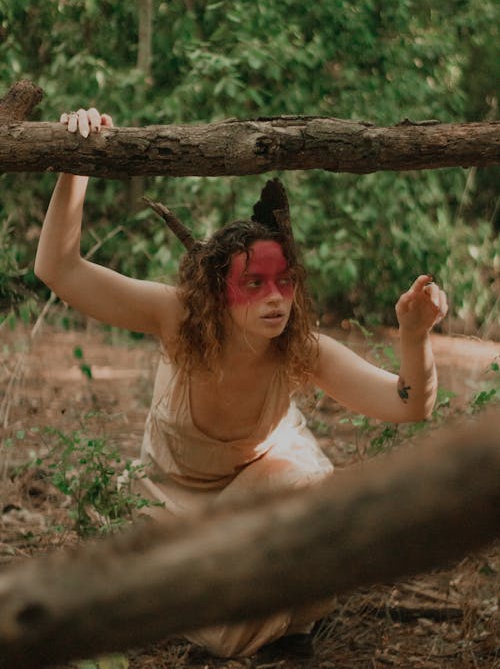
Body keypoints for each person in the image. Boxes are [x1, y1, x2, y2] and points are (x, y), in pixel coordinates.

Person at [34, 107, 448, 658]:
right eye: (253, 283)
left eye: (284, 282)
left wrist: (414, 334)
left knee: (301, 492)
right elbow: (59, 269)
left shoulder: (301, 348)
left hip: (269, 483)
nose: (275, 297)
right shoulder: (176, 317)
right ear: (216, 294)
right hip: (173, 496)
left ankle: (295, 630)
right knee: (215, 627)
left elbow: (407, 404)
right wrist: (74, 162)